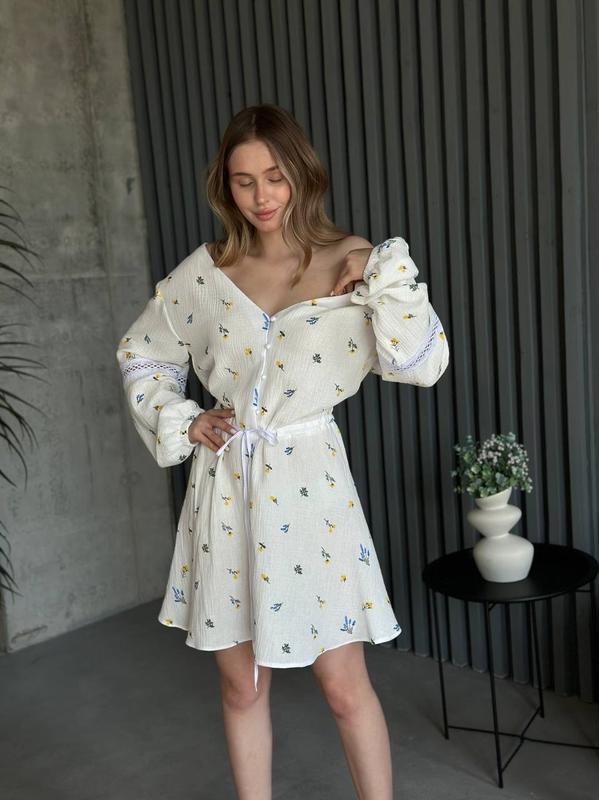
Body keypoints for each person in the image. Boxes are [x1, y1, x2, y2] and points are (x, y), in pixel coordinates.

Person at [116, 103, 449, 800]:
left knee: (344, 687)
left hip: (312, 486)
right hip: (226, 488)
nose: (261, 196)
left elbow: (422, 364)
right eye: (243, 181)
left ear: (301, 173)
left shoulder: (355, 262)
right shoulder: (206, 273)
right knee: (241, 687)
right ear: (225, 187)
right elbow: (142, 353)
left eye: (274, 176)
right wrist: (185, 420)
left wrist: (377, 274)